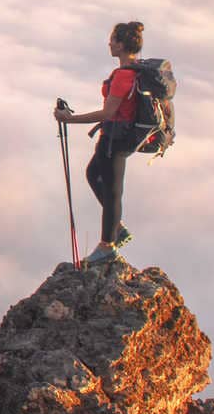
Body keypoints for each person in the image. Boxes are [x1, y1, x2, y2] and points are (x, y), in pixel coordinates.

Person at [54, 21, 148, 266]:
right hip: (118, 136)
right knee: (93, 173)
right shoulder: (135, 70)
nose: (109, 43)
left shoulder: (124, 76)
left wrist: (70, 120)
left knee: (112, 189)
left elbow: (108, 113)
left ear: (121, 44)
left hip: (115, 139)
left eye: (113, 40)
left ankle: (108, 245)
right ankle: (116, 228)